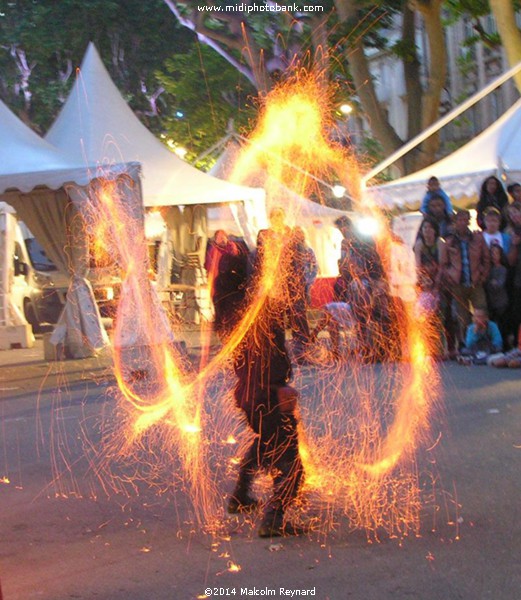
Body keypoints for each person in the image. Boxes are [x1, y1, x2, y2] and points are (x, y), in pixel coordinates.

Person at [227, 231, 305, 538]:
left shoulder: (245, 310)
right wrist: (278, 387)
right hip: (267, 395)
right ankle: (274, 519)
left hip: (250, 394)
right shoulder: (262, 309)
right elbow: (267, 356)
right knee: (291, 463)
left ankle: (240, 497)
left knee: (265, 441)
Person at [441, 209, 490, 351]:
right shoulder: (449, 241)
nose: (462, 222)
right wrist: (449, 278)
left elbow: (486, 259)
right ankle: (466, 344)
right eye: (460, 220)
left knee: (482, 311)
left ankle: (484, 341)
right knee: (462, 318)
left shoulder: (477, 238)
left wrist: (483, 275)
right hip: (458, 283)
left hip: (475, 282)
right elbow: (444, 263)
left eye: (465, 220)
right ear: (455, 222)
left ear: (469, 221)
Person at [204, 230, 246, 337]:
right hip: (217, 282)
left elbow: (237, 264)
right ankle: (220, 325)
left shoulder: (232, 248)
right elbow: (209, 266)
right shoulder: (213, 250)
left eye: (223, 237)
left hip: (229, 284)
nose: (221, 239)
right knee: (218, 303)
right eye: (219, 237)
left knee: (228, 305)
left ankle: (228, 325)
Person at [485, 244, 510, 347]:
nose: (493, 255)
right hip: (490, 301)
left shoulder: (502, 269)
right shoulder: (488, 269)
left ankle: (503, 345)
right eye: (492, 253)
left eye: (496, 253)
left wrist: (492, 282)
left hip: (501, 302)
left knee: (501, 325)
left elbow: (499, 284)